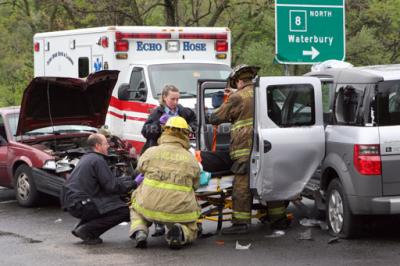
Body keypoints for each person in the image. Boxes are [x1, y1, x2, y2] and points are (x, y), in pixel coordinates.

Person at [206, 64, 288, 234]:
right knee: (269, 182)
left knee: (241, 186)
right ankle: (278, 219)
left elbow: (215, 117)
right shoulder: (265, 94)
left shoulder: (237, 97)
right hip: (268, 147)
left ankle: (241, 224)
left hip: (245, 150)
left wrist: (223, 103)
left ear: (238, 81)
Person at [129, 116, 201, 249]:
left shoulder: (150, 152)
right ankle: (180, 232)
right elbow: (195, 185)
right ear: (186, 134)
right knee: (191, 226)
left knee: (136, 207)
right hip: (179, 210)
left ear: (165, 131)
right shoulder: (191, 160)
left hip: (148, 205)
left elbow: (140, 169)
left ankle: (140, 230)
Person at [60, 133, 138, 245]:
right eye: (106, 144)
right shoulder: (98, 160)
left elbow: (109, 181)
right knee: (124, 211)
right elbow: (111, 186)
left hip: (73, 201)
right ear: (97, 146)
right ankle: (87, 231)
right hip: (82, 203)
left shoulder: (87, 158)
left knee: (111, 203)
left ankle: (81, 226)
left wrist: (129, 180)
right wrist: (134, 184)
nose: (108, 146)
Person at [140, 84, 197, 236]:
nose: (175, 102)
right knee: (158, 186)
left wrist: (190, 128)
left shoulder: (184, 112)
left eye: (178, 98)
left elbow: (195, 123)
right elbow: (145, 131)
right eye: (172, 99)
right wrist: (160, 127)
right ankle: (158, 224)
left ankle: (175, 219)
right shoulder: (156, 113)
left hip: (178, 152)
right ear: (164, 98)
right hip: (159, 153)